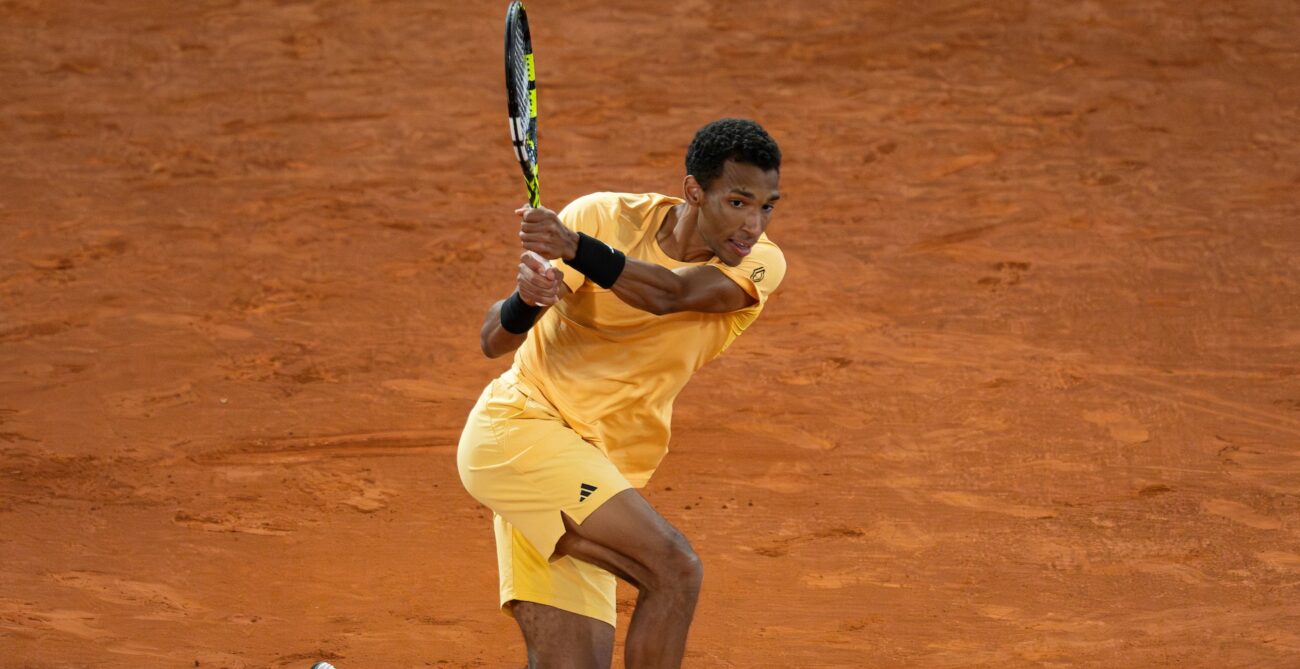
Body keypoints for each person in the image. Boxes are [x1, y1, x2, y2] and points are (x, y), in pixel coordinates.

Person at [457, 118, 785, 669]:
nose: (753, 224)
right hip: (522, 432)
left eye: (768, 206)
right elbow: (494, 340)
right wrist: (527, 298)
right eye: (737, 202)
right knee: (675, 569)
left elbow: (670, 293)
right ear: (693, 192)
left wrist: (574, 248)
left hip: (596, 469)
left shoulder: (759, 265)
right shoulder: (602, 216)